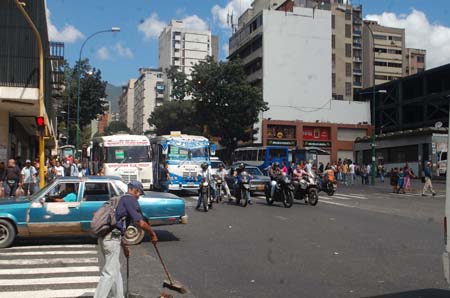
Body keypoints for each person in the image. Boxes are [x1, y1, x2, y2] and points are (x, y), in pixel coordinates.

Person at [94, 181, 158, 298]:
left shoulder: (119, 199)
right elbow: (141, 222)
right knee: (109, 273)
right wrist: (152, 233)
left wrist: (124, 246)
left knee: (115, 270)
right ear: (135, 190)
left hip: (105, 237)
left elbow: (117, 225)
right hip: (111, 239)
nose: (139, 197)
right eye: (139, 193)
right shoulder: (130, 200)